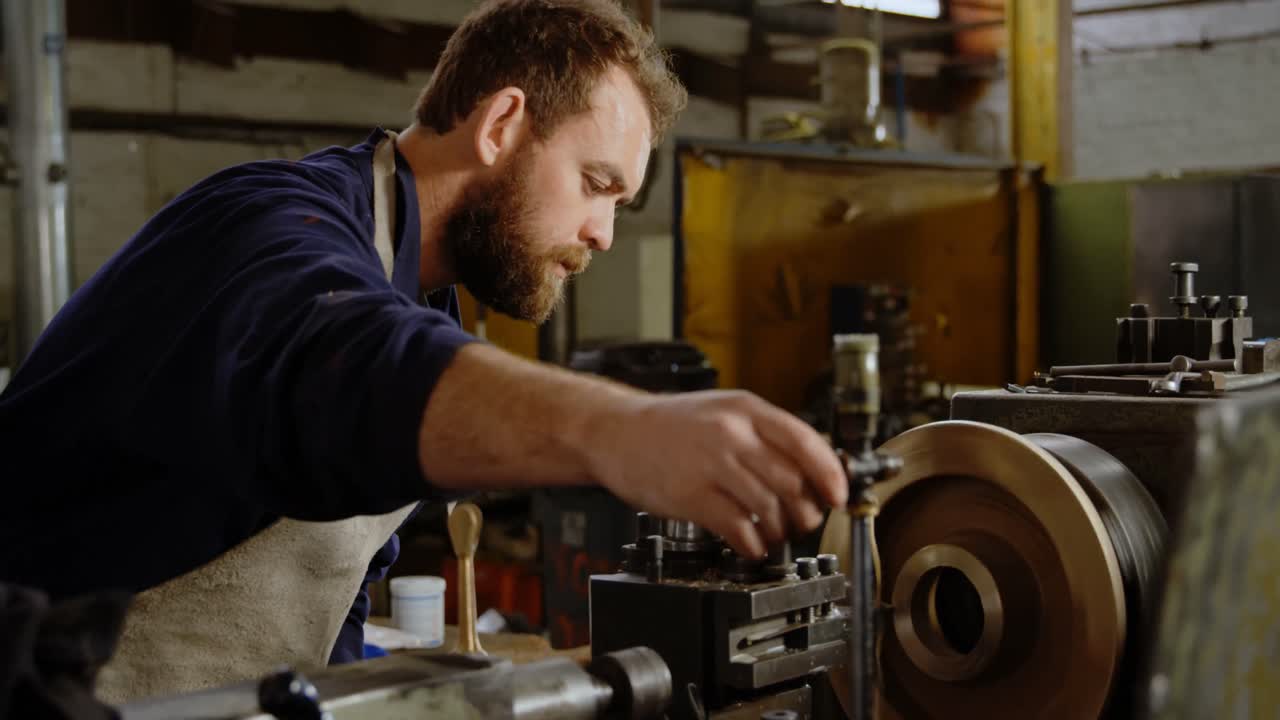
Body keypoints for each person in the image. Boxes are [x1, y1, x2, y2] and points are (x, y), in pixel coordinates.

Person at [0, 0, 848, 703]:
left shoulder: (423, 293)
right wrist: (624, 432)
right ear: (502, 124)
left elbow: (338, 578)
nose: (604, 233)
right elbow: (343, 362)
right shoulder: (267, 225)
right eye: (596, 185)